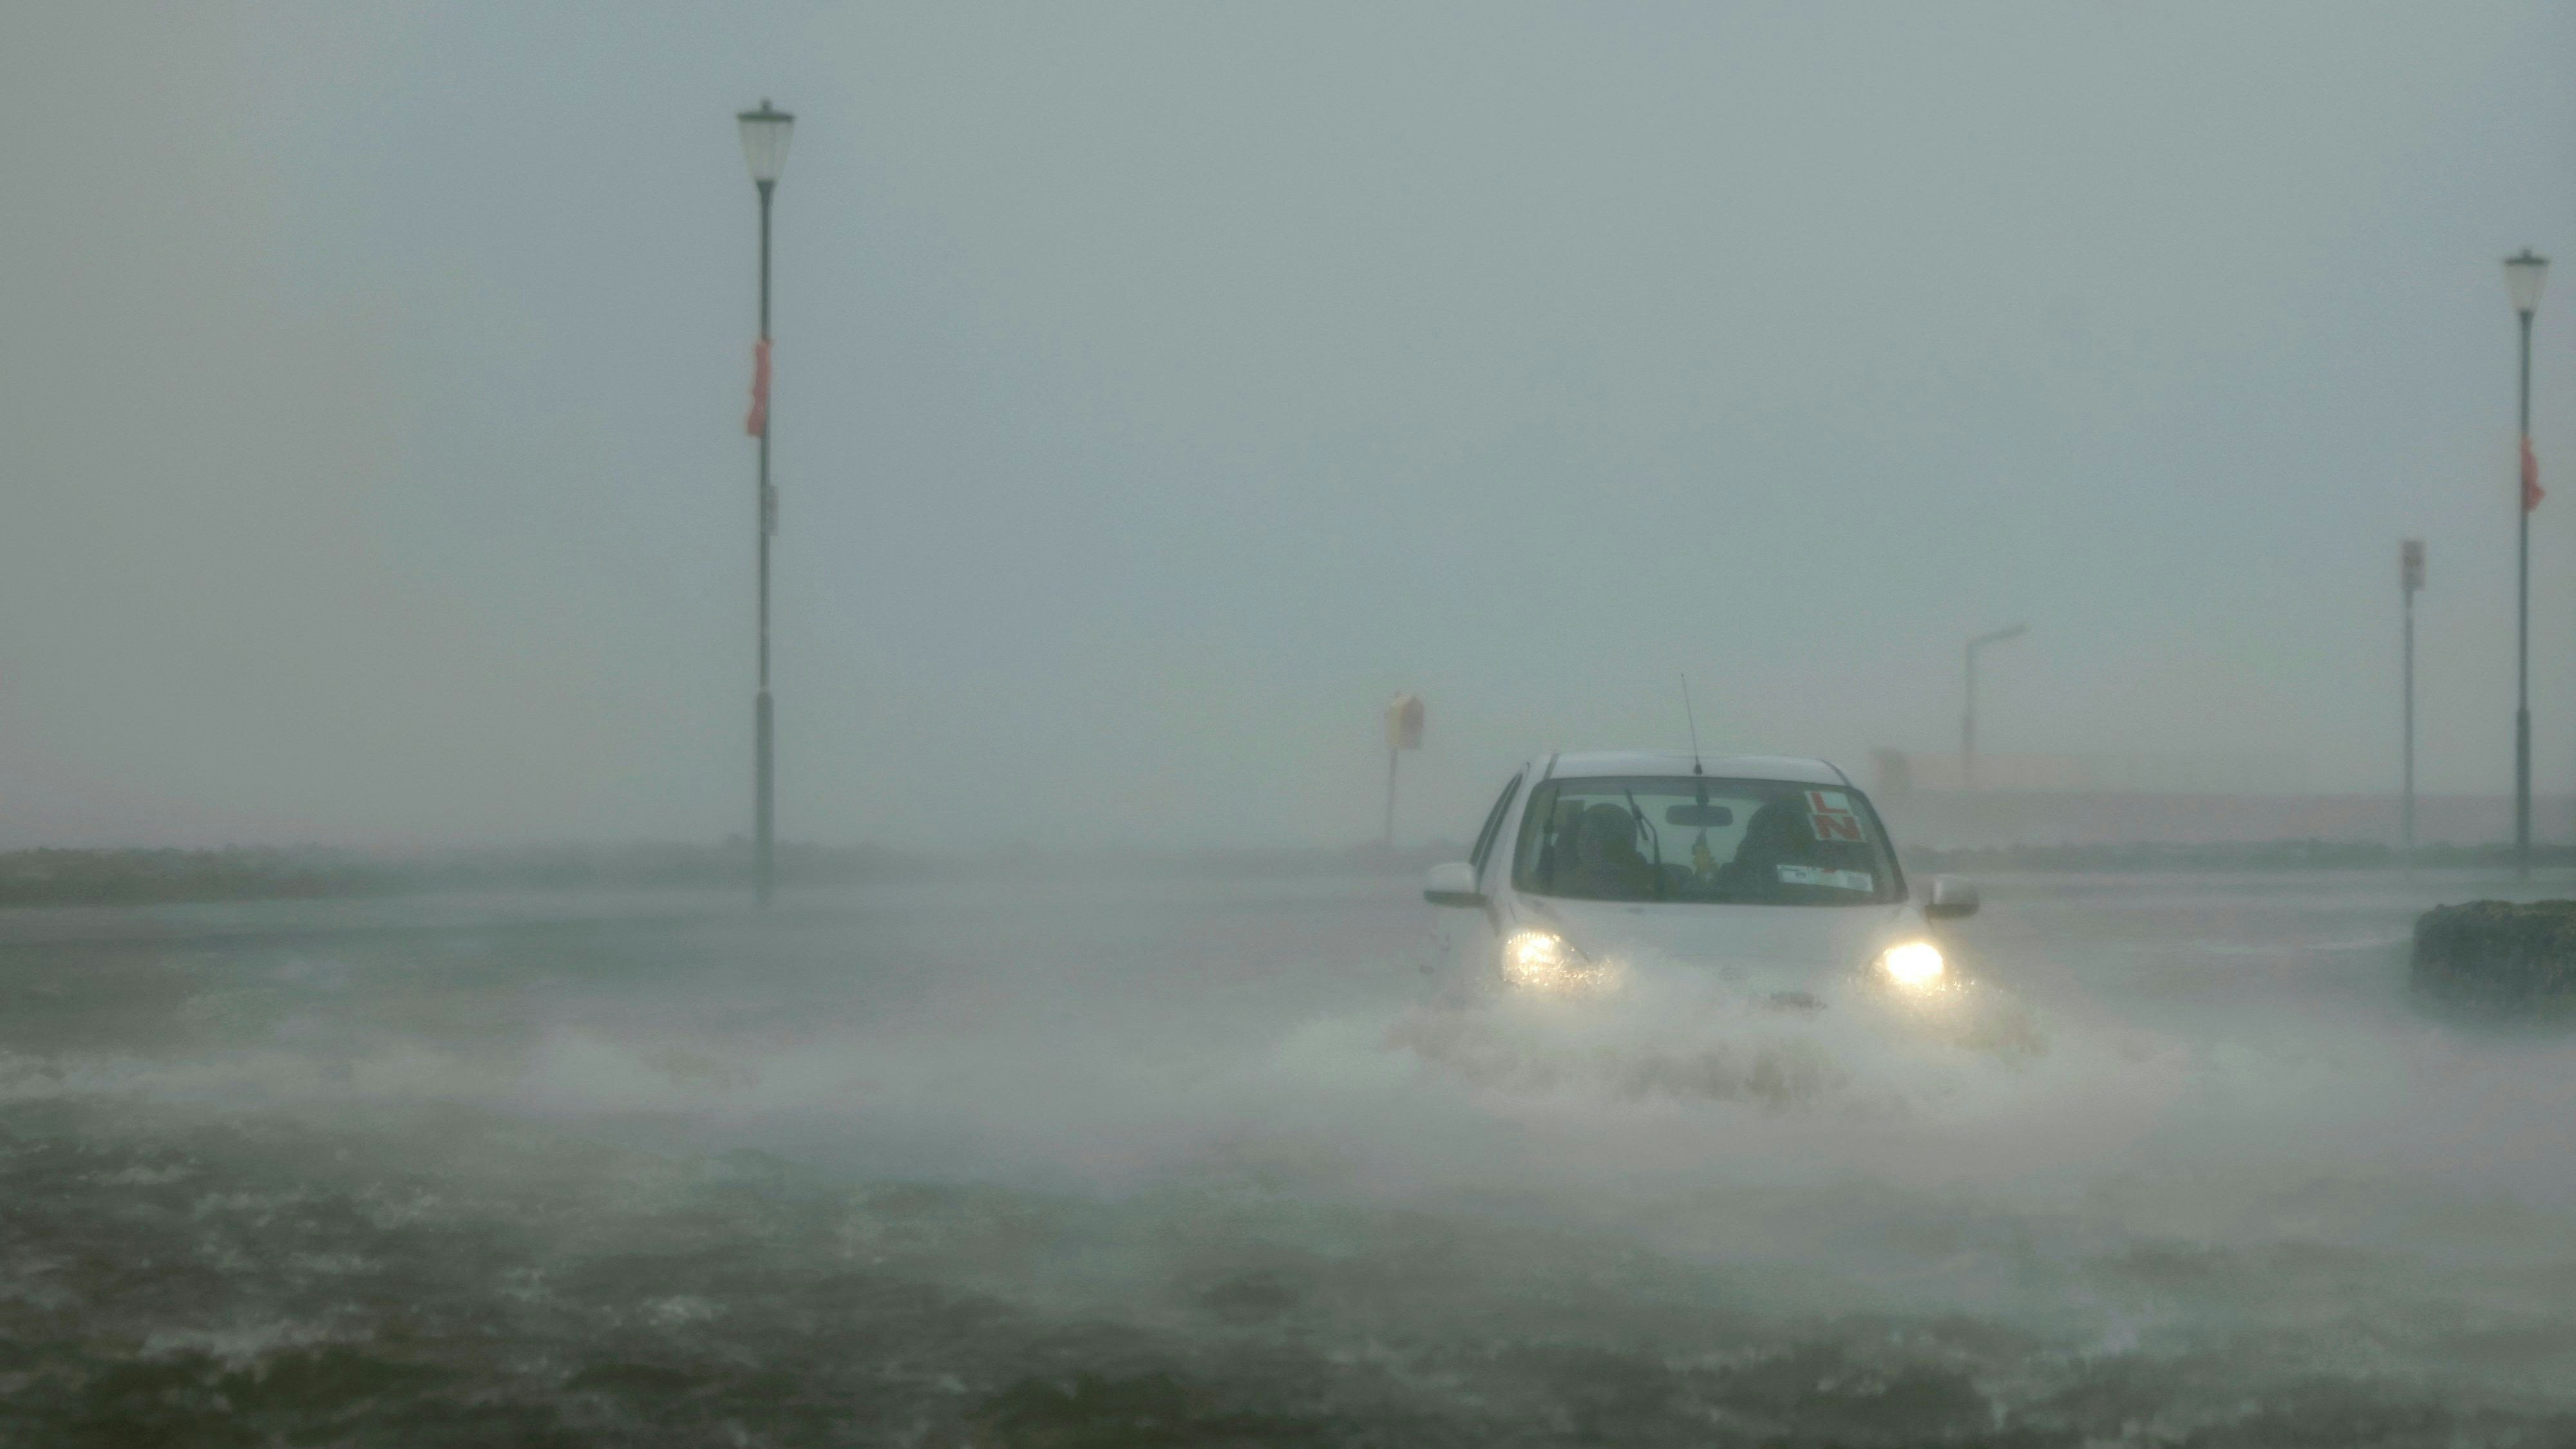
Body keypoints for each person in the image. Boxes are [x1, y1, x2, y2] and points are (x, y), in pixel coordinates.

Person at [1564, 802, 1658, 899]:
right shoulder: (1568, 881)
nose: (1586, 843)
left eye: (1595, 837)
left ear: (1614, 841)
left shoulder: (1648, 880)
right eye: (1583, 835)